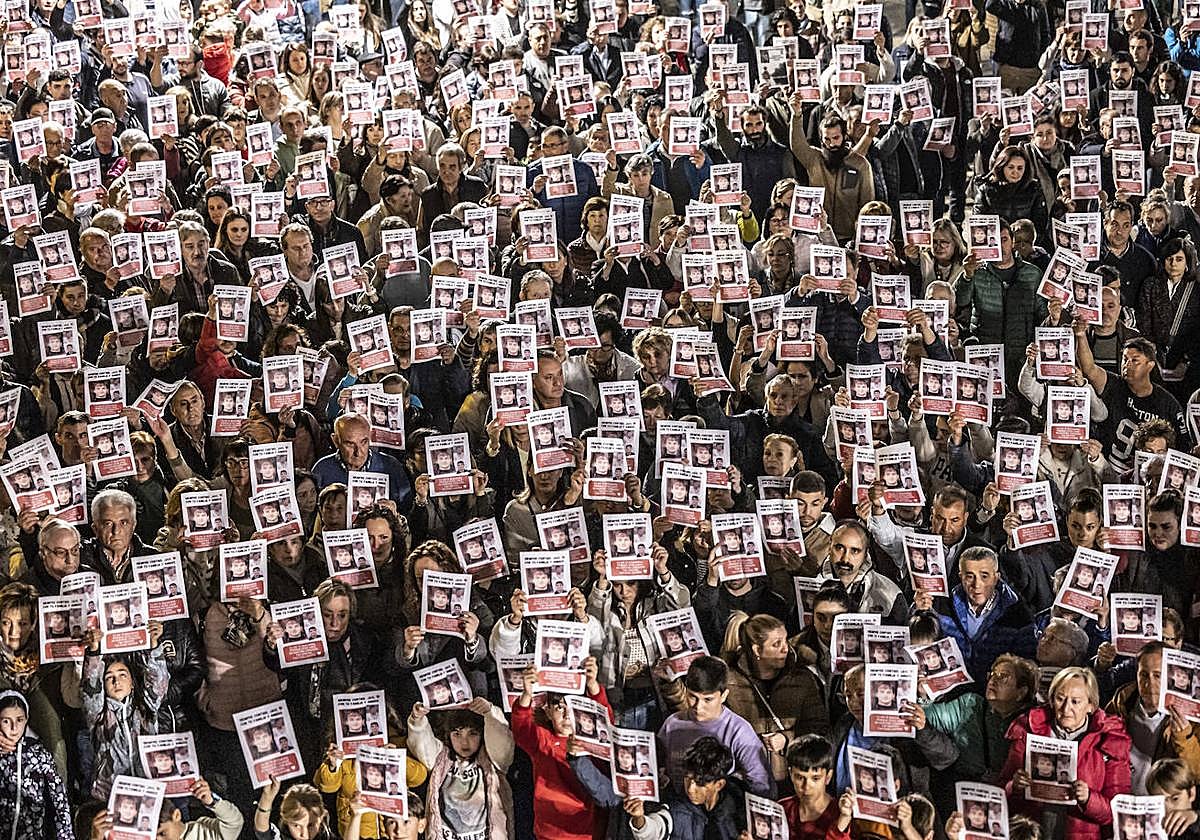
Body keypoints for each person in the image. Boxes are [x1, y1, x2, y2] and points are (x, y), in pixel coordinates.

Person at [1000, 667, 1132, 839]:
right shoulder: (1029, 730)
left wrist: (1088, 799)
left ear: (1090, 706)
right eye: (1060, 699)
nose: (1065, 708)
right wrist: (1014, 786)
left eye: (1075, 701)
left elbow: (1117, 811)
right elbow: (1001, 794)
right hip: (1034, 832)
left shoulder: (1109, 739)